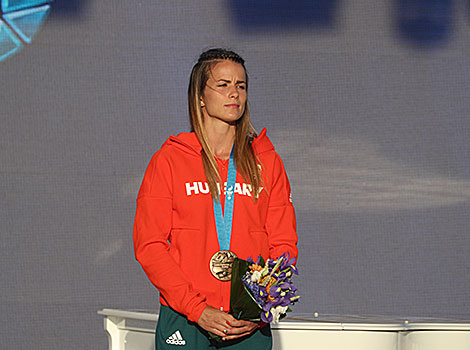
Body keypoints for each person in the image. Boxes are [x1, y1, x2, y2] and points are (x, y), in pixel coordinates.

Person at [133, 48, 298, 349]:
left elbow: (283, 244)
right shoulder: (169, 161)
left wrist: (260, 309)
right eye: (222, 85)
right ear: (199, 96)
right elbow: (150, 245)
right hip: (185, 318)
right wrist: (197, 309)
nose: (233, 93)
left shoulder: (267, 162)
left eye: (241, 85)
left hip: (246, 324)